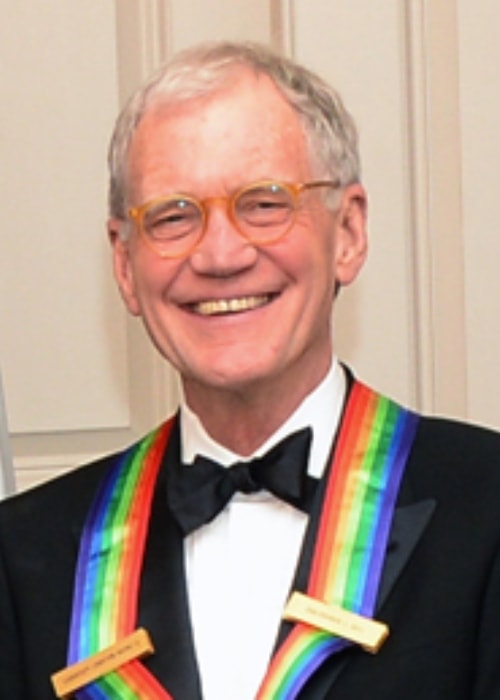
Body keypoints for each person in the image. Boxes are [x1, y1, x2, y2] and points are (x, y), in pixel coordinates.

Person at [1, 40, 500, 700]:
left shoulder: (488, 507)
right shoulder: (24, 559)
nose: (220, 254)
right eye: (172, 215)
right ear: (124, 265)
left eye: (264, 202)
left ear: (348, 232)